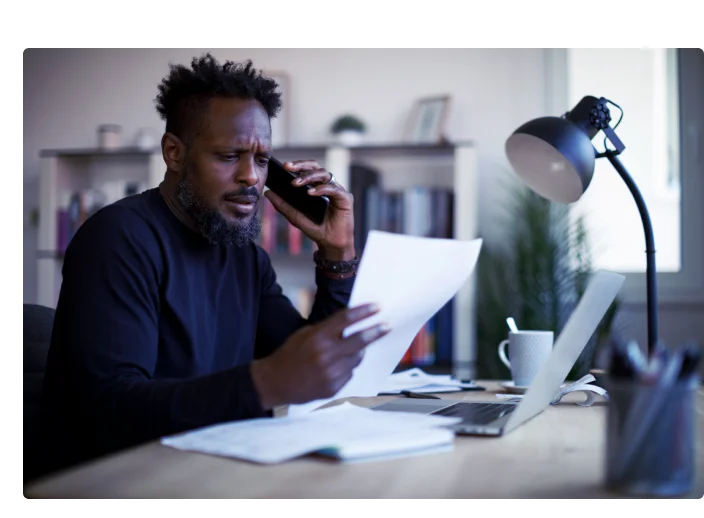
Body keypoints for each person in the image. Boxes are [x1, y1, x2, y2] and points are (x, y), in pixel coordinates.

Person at [40, 53, 391, 474]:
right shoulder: (117, 239)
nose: (252, 178)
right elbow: (111, 410)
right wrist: (263, 382)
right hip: (119, 484)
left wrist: (337, 254)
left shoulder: (245, 255)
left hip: (210, 468)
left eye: (262, 160)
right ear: (174, 153)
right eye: (229, 156)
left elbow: (308, 368)